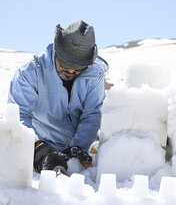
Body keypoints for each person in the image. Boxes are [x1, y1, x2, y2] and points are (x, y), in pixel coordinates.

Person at [8, 20, 109, 173]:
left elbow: (92, 114)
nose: (70, 71)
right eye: (64, 64)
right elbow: (19, 115)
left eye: (77, 68)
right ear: (57, 50)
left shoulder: (95, 75)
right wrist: (37, 146)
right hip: (40, 150)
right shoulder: (30, 72)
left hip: (74, 150)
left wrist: (79, 146)